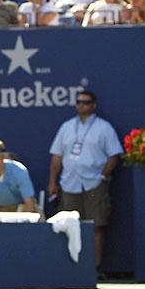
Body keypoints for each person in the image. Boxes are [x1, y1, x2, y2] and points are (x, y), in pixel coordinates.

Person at [48, 90, 123, 269]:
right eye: (79, 102)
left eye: (87, 102)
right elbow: (56, 157)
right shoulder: (66, 127)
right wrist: (52, 182)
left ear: (93, 105)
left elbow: (114, 155)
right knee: (67, 227)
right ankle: (70, 269)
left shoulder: (103, 128)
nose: (82, 105)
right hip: (69, 184)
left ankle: (94, 268)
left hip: (94, 185)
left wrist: (103, 176)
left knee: (95, 227)